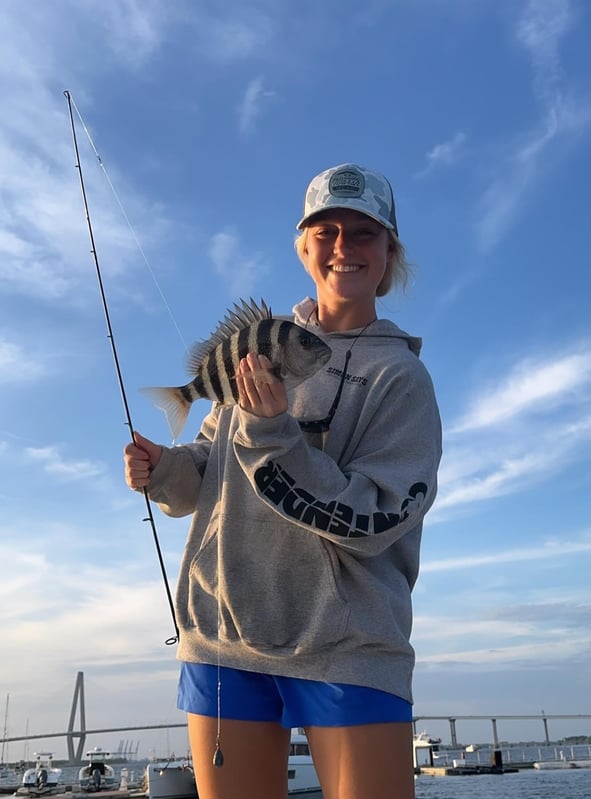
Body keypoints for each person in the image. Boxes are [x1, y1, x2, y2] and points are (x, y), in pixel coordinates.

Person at [124, 163, 442, 799]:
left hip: (347, 644)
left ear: (389, 253)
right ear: (303, 247)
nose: (344, 248)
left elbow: (373, 518)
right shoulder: (257, 353)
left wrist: (273, 432)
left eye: (364, 233)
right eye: (325, 232)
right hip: (222, 635)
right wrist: (165, 471)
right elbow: (209, 475)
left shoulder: (400, 380)